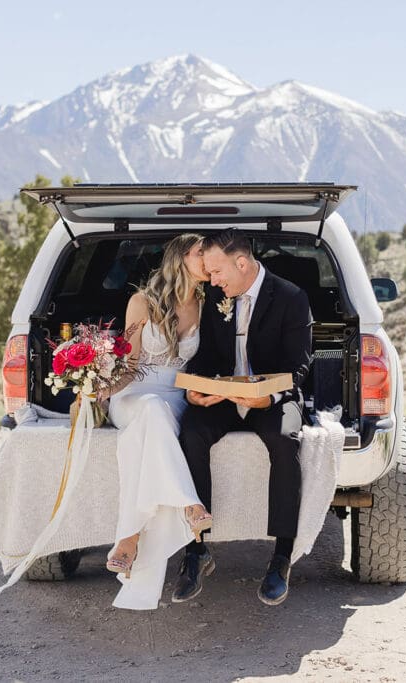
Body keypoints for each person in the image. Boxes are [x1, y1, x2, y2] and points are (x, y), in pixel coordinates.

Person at [175, 228, 313, 606]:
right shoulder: (216, 297)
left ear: (241, 263)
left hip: (270, 400)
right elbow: (205, 355)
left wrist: (266, 398)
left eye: (217, 271)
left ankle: (281, 556)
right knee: (189, 431)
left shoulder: (291, 298)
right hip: (222, 398)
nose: (212, 280)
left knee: (286, 439)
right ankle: (197, 548)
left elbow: (298, 368)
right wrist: (196, 386)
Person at [103, 233, 215, 610]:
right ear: (181, 257)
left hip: (179, 399)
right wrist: (101, 387)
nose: (209, 258)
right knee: (151, 409)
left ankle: (130, 538)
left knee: (153, 425)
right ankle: (187, 502)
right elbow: (129, 366)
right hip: (134, 396)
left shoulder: (209, 303)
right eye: (202, 252)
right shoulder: (141, 301)